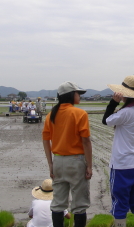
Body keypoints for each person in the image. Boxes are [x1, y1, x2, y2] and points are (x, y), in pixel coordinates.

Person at [102, 75, 134, 227]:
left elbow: (106, 120)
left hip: (123, 165)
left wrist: (113, 102)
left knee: (120, 202)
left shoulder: (125, 113)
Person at [42, 81, 92, 227]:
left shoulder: (51, 115)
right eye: (78, 93)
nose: (80, 96)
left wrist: (50, 164)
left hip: (58, 162)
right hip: (76, 162)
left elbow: (45, 140)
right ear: (71, 95)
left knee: (58, 204)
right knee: (80, 204)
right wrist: (89, 165)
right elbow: (86, 142)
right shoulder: (80, 114)